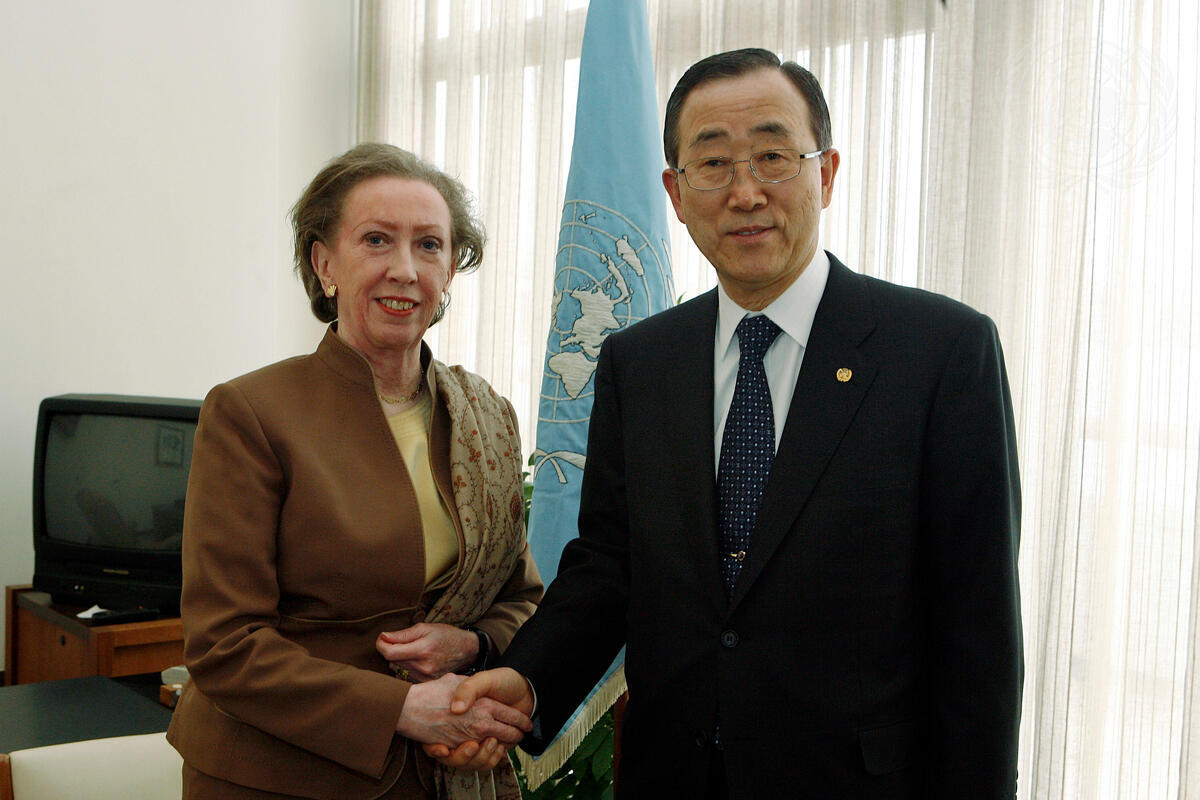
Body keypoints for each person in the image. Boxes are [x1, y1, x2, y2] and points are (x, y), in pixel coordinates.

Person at [440, 48, 1023, 798]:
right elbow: (610, 567)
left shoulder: (940, 352)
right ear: (676, 194)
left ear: (827, 173)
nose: (745, 193)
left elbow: (978, 627)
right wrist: (528, 680)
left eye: (774, 157)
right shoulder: (638, 362)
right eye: (713, 164)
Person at [166, 143, 543, 800]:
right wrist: (402, 709)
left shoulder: (487, 415)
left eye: (429, 245)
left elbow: (521, 600)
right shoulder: (250, 412)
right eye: (376, 240)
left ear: (450, 269)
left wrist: (471, 647)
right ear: (325, 264)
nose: (405, 269)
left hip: (443, 769)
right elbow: (225, 644)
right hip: (277, 777)